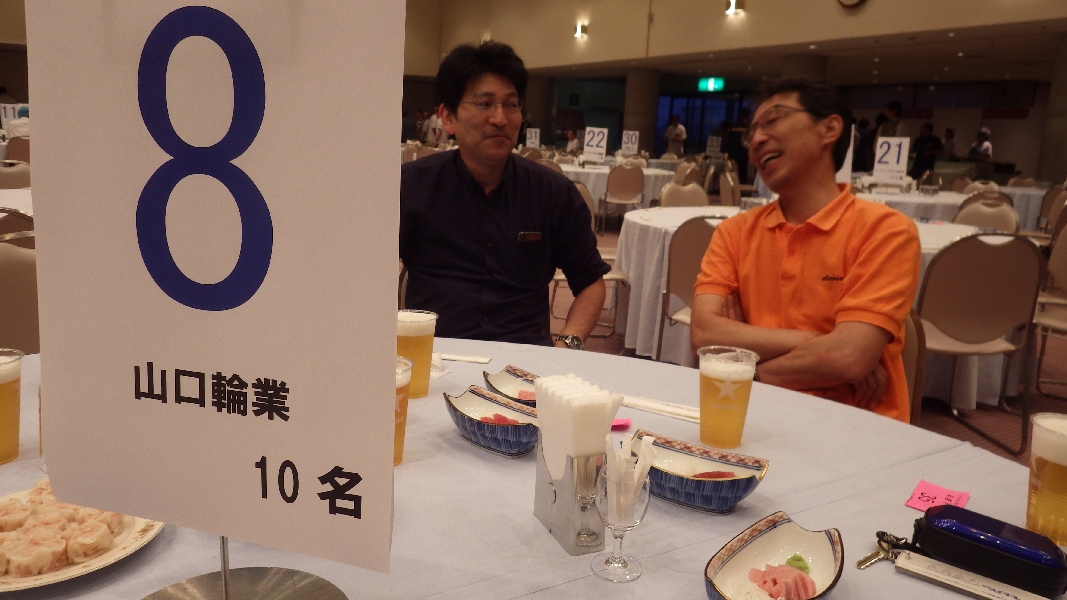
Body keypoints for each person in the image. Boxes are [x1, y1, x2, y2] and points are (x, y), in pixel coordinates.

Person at [690, 78, 921, 423]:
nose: (757, 139)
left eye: (772, 120)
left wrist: (749, 371)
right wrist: (823, 341)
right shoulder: (734, 232)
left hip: (855, 424)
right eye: (752, 132)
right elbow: (704, 335)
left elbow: (848, 358)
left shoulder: (885, 230)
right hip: (751, 419)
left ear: (829, 128)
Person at [400, 41, 610, 349]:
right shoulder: (411, 187)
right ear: (448, 117)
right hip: (437, 355)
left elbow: (590, 282)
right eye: (484, 104)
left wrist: (567, 345)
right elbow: (365, 274)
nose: (500, 118)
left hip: (525, 359)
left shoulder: (553, 193)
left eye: (511, 105)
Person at [724, 108, 751, 183]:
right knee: (743, 173)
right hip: (744, 155)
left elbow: (728, 140)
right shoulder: (749, 127)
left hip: (733, 154)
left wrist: (727, 151)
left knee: (732, 173)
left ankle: (732, 186)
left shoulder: (733, 126)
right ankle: (741, 187)